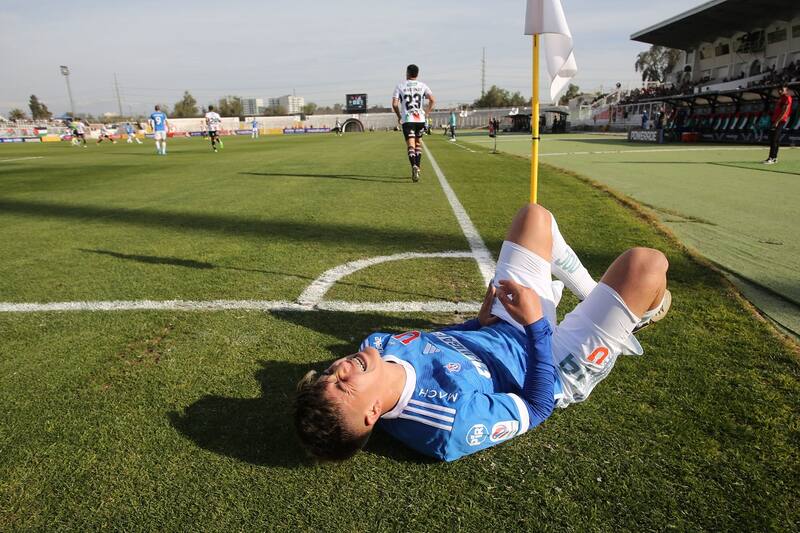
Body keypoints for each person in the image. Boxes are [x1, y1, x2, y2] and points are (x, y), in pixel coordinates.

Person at [295, 203, 671, 462]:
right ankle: (637, 314)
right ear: (372, 413)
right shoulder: (446, 425)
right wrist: (536, 326)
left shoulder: (376, 345)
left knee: (533, 217)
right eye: (343, 386)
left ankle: (597, 296)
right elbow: (537, 408)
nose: (340, 369)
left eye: (330, 374)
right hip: (553, 368)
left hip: (504, 325)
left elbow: (435, 347)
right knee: (647, 265)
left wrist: (476, 324)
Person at [392, 64, 435, 182]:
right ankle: (418, 167)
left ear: (407, 73)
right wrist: (426, 113)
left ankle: (414, 166)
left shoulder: (400, 86)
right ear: (417, 74)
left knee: (410, 145)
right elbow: (432, 100)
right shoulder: (423, 86)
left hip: (408, 119)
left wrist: (399, 116)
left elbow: (395, 104)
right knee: (418, 144)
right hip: (420, 119)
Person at [764, 85, 793, 165]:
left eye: (781, 90)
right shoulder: (780, 98)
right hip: (775, 121)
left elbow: (784, 111)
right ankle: (773, 158)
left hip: (780, 121)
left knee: (774, 140)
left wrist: (776, 122)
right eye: (779, 90)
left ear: (786, 90)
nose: (779, 91)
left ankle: (772, 158)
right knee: (774, 140)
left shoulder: (787, 97)